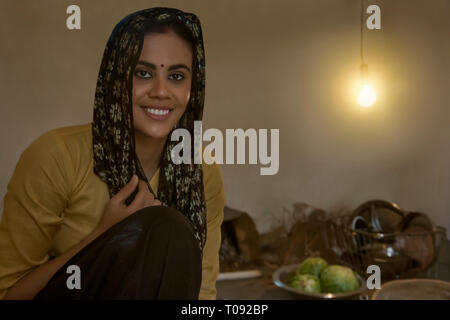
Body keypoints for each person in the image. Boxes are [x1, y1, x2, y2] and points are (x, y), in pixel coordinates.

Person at [0, 7, 225, 300]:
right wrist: (105, 234)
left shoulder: (200, 170)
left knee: (169, 231)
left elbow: (202, 295)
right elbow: (9, 293)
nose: (161, 91)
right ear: (115, 78)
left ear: (193, 89)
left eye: (177, 76)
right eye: (143, 73)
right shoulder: (57, 156)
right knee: (166, 226)